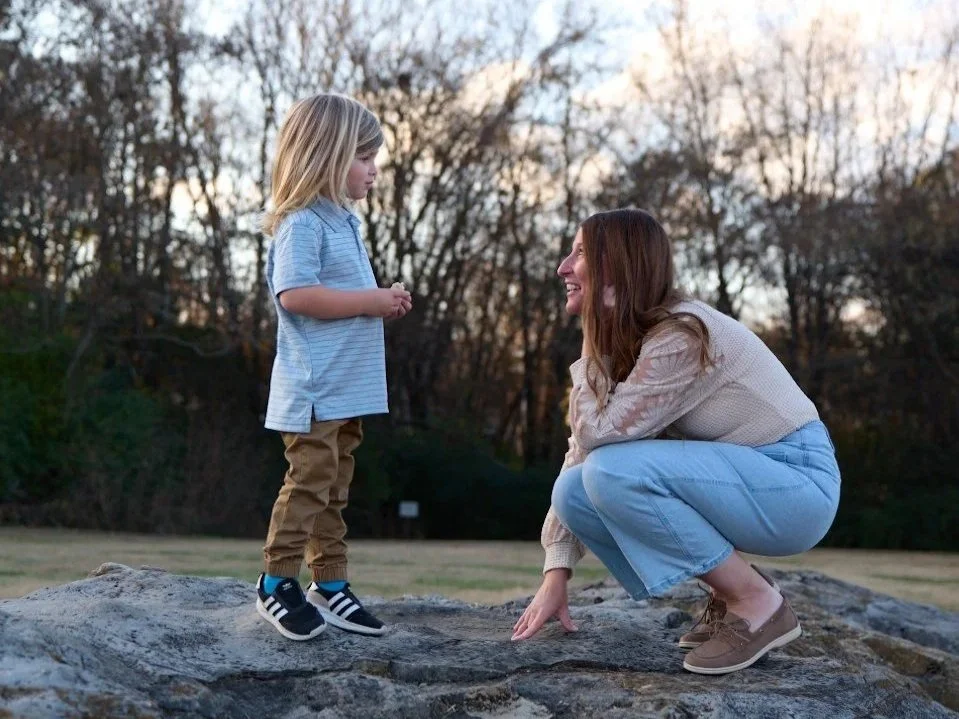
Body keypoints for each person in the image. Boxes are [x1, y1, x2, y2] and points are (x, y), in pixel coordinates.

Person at [511, 208, 841, 675]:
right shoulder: (636, 338)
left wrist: (589, 351)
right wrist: (556, 572)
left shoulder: (681, 334)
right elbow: (579, 453)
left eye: (580, 252)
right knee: (574, 492)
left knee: (610, 473)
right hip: (747, 478)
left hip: (796, 483)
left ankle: (756, 602)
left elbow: (597, 435)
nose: (563, 267)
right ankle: (731, 594)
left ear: (616, 266)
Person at [255, 93, 412, 641]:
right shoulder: (302, 223)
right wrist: (371, 301)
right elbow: (296, 294)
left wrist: (381, 299)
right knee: (309, 483)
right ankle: (276, 581)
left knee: (335, 487)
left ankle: (329, 581)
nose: (373, 170)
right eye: (364, 157)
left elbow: (340, 295)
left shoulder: (342, 222)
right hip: (314, 390)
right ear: (327, 155)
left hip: (347, 389)